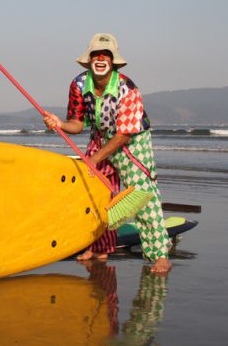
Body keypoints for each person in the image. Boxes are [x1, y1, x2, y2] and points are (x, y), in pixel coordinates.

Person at [43, 33, 172, 274]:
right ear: (89, 59)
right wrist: (59, 123)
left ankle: (160, 255)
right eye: (96, 55)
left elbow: (124, 135)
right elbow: (77, 124)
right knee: (95, 193)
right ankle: (100, 247)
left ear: (113, 61)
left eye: (106, 55)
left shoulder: (127, 88)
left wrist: (94, 158)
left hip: (133, 142)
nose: (100, 59)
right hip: (101, 137)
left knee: (142, 196)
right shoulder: (79, 85)